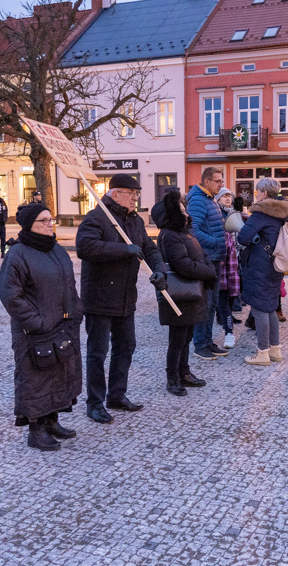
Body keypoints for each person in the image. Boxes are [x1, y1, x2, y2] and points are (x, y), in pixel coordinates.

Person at [76, 173, 167, 424]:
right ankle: (94, 403)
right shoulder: (97, 218)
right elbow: (85, 247)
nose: (136, 198)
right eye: (131, 193)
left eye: (137, 194)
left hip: (126, 297)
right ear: (115, 194)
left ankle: (116, 395)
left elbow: (148, 248)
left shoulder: (134, 220)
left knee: (126, 347)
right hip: (100, 297)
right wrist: (122, 250)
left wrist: (159, 269)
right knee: (98, 352)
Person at [0, 203, 83, 451]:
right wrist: (37, 322)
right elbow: (11, 295)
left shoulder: (56, 249)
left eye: (51, 219)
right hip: (34, 331)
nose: (50, 224)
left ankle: (52, 420)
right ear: (29, 225)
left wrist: (76, 311)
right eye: (43, 221)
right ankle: (36, 431)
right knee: (35, 379)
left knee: (59, 373)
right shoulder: (18, 253)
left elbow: (69, 284)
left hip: (62, 326)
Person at [152, 188, 216, 396]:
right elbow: (183, 265)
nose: (186, 213)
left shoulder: (183, 232)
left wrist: (208, 266)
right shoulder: (170, 236)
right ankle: (173, 378)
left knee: (186, 336)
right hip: (179, 294)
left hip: (190, 293)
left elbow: (200, 255)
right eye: (182, 210)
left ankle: (184, 372)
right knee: (177, 339)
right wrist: (209, 272)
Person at [237, 178, 288, 365]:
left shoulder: (261, 214)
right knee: (270, 307)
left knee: (259, 309)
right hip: (274, 265)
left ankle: (262, 353)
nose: (256, 195)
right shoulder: (281, 212)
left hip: (259, 266)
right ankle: (275, 350)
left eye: (257, 191)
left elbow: (243, 238)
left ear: (264, 193)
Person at [187, 167, 229, 360]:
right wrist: (216, 241)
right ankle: (199, 344)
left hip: (215, 257)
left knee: (212, 303)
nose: (221, 184)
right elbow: (193, 230)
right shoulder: (197, 200)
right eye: (218, 181)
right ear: (206, 181)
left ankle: (208, 340)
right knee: (204, 302)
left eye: (221, 181)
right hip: (206, 258)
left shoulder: (210, 198)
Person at [214, 188, 240, 348]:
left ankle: (225, 317)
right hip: (223, 258)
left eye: (229, 195)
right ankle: (228, 329)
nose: (227, 198)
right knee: (223, 299)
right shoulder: (217, 216)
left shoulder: (235, 213)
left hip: (235, 258)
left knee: (231, 295)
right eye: (224, 196)